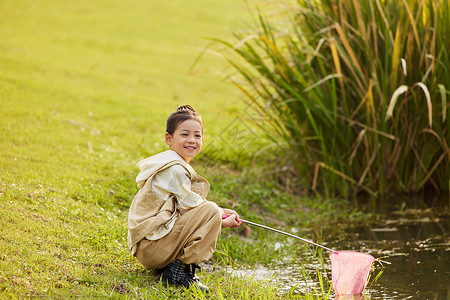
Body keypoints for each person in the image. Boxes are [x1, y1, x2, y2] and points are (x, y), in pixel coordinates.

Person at [127, 105, 242, 293]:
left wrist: (219, 213)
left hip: (148, 247)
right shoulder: (175, 169)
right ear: (168, 138)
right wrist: (221, 217)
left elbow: (192, 209)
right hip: (151, 248)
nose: (192, 140)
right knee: (211, 210)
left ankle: (171, 268)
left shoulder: (170, 162)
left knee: (211, 210)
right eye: (185, 134)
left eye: (197, 135)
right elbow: (195, 208)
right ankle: (177, 274)